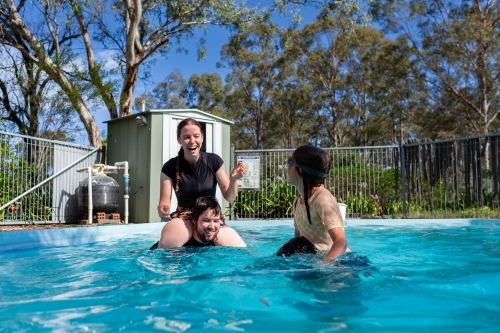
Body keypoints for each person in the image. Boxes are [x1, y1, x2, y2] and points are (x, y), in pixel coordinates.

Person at [156, 118, 246, 248]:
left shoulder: (214, 161)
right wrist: (163, 209)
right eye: (186, 137)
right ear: (179, 140)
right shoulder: (169, 167)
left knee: (239, 248)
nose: (192, 141)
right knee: (167, 244)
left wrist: (233, 180)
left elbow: (230, 197)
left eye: (196, 136)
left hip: (209, 217)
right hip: (184, 217)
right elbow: (164, 202)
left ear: (202, 138)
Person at [276, 145, 348, 262]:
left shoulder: (322, 199)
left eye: (290, 162)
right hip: (314, 257)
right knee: (294, 245)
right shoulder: (298, 202)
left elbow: (341, 241)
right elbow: (298, 241)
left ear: (300, 170)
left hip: (339, 262)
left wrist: (324, 265)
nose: (287, 166)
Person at [151, 196, 246, 248]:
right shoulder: (181, 245)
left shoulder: (221, 244)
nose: (212, 226)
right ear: (194, 220)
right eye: (206, 220)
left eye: (216, 221)